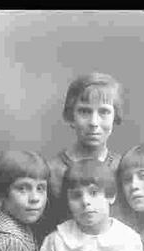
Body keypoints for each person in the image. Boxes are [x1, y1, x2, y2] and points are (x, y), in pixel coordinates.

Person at [39, 72, 124, 237]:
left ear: (115, 116)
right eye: (85, 111)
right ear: (71, 117)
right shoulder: (51, 172)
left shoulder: (124, 170)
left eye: (104, 112)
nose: (94, 122)